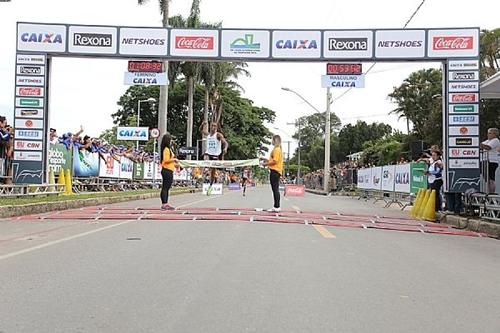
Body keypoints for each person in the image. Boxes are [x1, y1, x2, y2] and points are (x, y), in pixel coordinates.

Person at [200, 120, 228, 195]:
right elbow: (201, 131)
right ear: (210, 127)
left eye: (215, 126)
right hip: (208, 153)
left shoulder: (218, 135)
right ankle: (202, 173)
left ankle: (210, 185)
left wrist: (225, 148)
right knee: (205, 156)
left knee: (213, 172)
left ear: (217, 128)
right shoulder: (208, 134)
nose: (213, 127)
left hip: (215, 155)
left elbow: (225, 143)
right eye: (212, 126)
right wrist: (202, 124)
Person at [260, 135, 283, 212]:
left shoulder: (276, 149)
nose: (271, 141)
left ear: (275, 140)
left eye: (272, 140)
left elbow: (275, 161)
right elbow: (272, 160)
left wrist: (265, 164)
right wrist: (265, 159)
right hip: (275, 171)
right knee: (275, 189)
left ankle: (277, 206)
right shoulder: (276, 149)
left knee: (275, 189)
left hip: (275, 171)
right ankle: (276, 206)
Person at [160, 132, 178, 210]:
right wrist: (174, 159)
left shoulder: (169, 149)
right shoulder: (166, 150)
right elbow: (166, 160)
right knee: (165, 187)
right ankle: (164, 203)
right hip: (167, 170)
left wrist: (176, 164)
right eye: (170, 140)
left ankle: (165, 203)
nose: (171, 141)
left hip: (169, 169)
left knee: (166, 187)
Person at [480, 128, 500, 193]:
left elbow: (488, 147)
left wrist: (476, 142)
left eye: (490, 133)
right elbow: (482, 145)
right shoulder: (487, 140)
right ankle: (488, 193)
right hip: (485, 161)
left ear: (495, 134)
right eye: (488, 133)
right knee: (487, 180)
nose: (488, 134)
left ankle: (492, 193)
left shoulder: (495, 140)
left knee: (491, 179)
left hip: (491, 161)